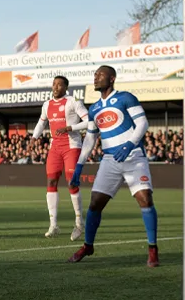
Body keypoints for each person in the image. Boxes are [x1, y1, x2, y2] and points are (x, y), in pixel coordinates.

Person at [67, 65, 159, 267]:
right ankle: (88, 246)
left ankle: (152, 248)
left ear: (112, 78)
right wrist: (80, 166)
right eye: (95, 74)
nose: (96, 77)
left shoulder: (126, 98)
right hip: (109, 160)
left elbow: (142, 124)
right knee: (95, 204)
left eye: (100, 74)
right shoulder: (94, 109)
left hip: (134, 156)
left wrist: (129, 144)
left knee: (145, 199)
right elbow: (90, 139)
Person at [31, 76, 89, 240]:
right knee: (51, 182)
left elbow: (88, 121)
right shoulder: (47, 104)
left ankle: (79, 223)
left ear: (66, 87)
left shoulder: (73, 101)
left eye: (59, 84)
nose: (55, 87)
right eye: (54, 84)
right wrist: (34, 138)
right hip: (55, 147)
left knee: (72, 182)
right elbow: (41, 123)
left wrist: (70, 127)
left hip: (72, 146)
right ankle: (53, 224)